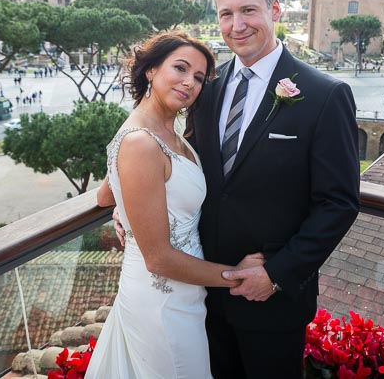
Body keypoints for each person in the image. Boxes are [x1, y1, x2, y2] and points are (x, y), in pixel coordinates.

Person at [104, 0, 360, 377]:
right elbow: (167, 154)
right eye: (226, 14)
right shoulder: (206, 88)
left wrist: (275, 275)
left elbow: (339, 204)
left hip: (270, 304)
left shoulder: (324, 96)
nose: (237, 25)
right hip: (198, 295)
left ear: (275, 10)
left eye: (248, 11)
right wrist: (130, 207)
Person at [87, 31, 262, 378]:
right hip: (161, 301)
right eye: (180, 68)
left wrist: (125, 204)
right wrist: (237, 277)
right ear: (151, 70)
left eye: (198, 77)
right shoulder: (141, 142)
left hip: (185, 293)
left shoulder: (165, 130)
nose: (189, 83)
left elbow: (105, 195)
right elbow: (159, 258)